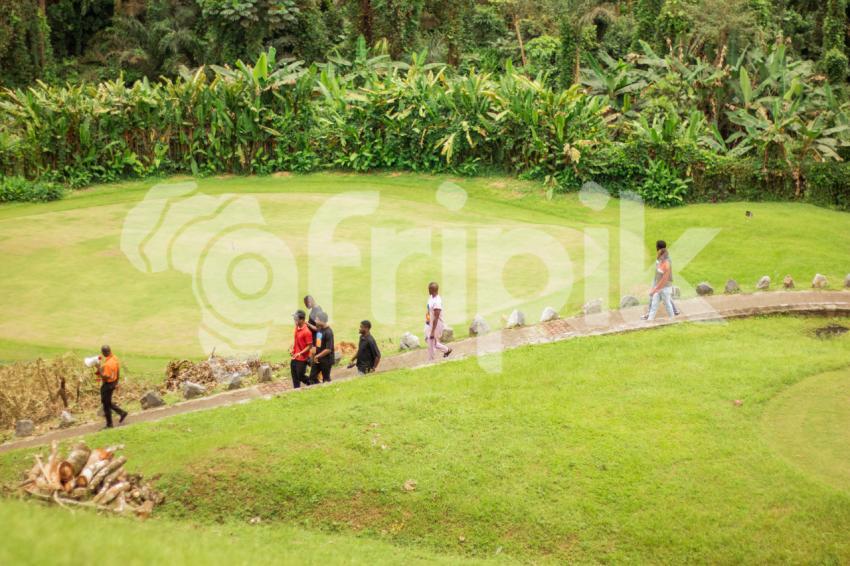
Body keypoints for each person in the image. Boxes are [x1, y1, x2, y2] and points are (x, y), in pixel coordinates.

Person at [95, 345, 128, 429]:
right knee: (107, 402)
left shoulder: (108, 365)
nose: (102, 354)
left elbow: (105, 377)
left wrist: (98, 369)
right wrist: (116, 381)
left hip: (107, 385)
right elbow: (118, 370)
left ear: (105, 352)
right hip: (113, 383)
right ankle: (122, 412)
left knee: (106, 404)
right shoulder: (114, 358)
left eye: (102, 352)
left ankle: (109, 424)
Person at [643, 240, 676, 321]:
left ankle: (673, 318)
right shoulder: (660, 259)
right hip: (659, 285)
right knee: (655, 303)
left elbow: (664, 279)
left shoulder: (666, 262)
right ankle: (649, 321)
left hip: (664, 287)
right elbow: (658, 273)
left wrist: (655, 289)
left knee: (667, 303)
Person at [425, 281, 452, 361]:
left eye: (429, 289)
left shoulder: (437, 302)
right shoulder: (431, 297)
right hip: (430, 323)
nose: (428, 290)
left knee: (431, 341)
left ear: (433, 290)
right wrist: (427, 320)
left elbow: (436, 318)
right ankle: (447, 350)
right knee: (429, 340)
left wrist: (433, 331)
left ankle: (431, 360)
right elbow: (428, 310)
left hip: (436, 325)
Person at [308, 311, 334, 384]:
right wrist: (313, 355)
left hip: (326, 360)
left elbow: (328, 349)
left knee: (326, 379)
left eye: (316, 319)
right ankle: (318, 389)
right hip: (317, 359)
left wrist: (317, 356)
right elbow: (318, 344)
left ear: (321, 321)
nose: (315, 321)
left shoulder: (329, 332)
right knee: (312, 378)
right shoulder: (319, 329)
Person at [290, 310, 313, 388]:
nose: (294, 320)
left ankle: (312, 384)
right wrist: (292, 348)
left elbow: (309, 346)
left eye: (296, 319)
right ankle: (296, 390)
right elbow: (296, 340)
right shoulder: (297, 327)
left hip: (302, 358)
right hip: (294, 357)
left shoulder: (307, 332)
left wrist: (300, 353)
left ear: (302, 320)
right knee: (294, 376)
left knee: (300, 376)